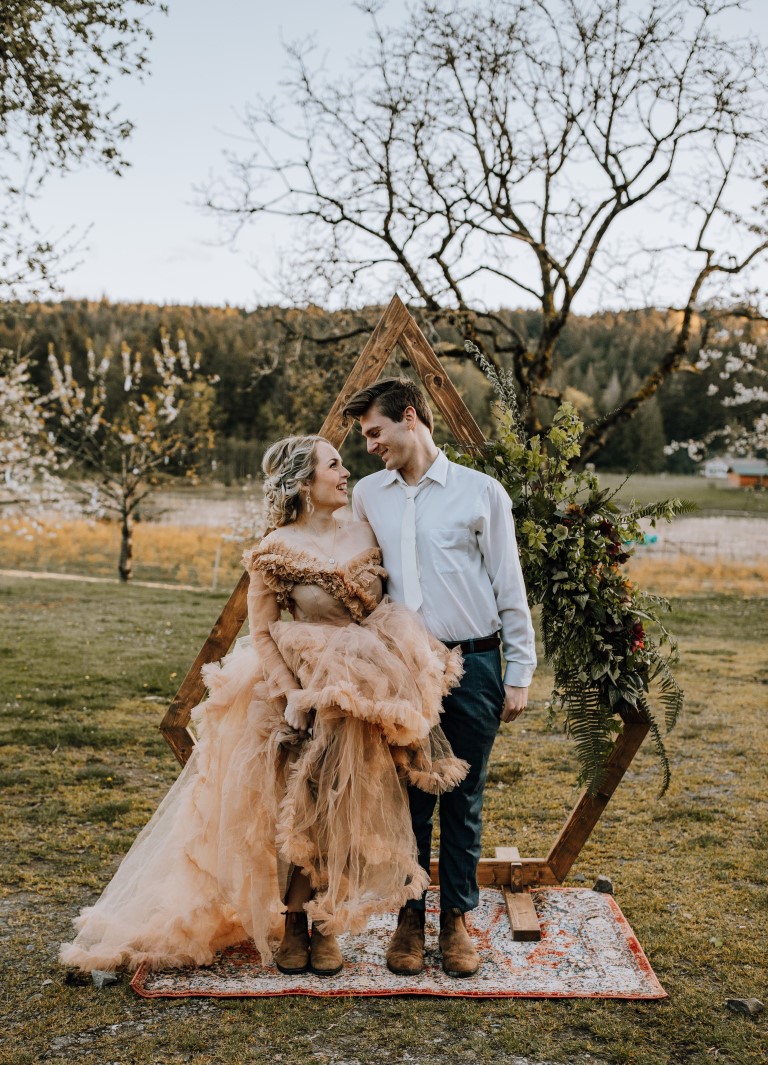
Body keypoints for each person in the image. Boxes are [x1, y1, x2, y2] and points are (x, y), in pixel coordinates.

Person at [60, 435, 467, 977]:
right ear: (304, 483)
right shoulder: (276, 547)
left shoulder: (365, 532)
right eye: (334, 465)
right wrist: (292, 692)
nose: (346, 473)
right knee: (296, 810)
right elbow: (265, 630)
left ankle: (325, 924)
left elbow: (386, 605)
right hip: (297, 692)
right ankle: (294, 922)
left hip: (361, 691)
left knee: (342, 808)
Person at [342, 377, 537, 979]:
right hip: (402, 668)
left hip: (475, 663)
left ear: (409, 418)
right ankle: (409, 916)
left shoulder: (481, 493)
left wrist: (519, 670)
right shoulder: (369, 496)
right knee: (407, 795)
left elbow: (509, 585)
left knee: (462, 795)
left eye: (376, 432)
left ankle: (456, 918)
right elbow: (360, 577)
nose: (371, 446)